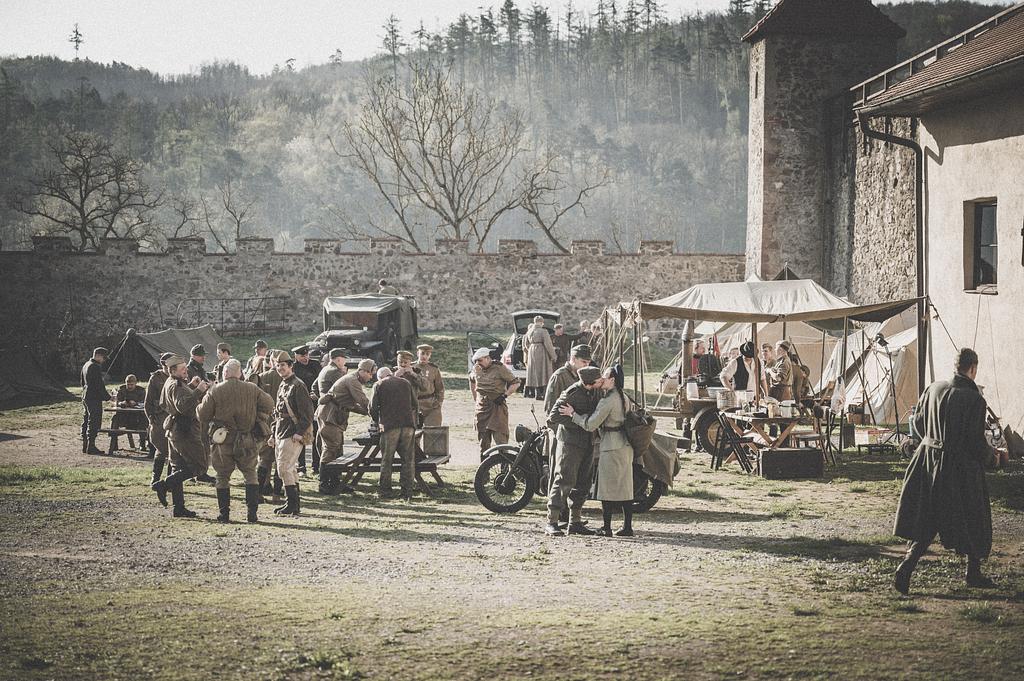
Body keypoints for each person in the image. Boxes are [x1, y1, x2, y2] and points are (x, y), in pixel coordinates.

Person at [893, 348, 996, 594]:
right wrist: (991, 458)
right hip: (959, 468)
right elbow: (975, 441)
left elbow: (918, 424)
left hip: (927, 461)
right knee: (974, 515)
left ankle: (907, 566)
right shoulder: (975, 400)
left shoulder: (933, 388)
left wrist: (931, 442)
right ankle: (973, 572)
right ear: (973, 368)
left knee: (928, 517)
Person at [560, 365, 636, 537]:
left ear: (612, 380)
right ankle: (627, 527)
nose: (601, 379)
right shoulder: (623, 396)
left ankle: (606, 527)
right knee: (625, 488)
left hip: (611, 446)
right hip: (625, 445)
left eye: (605, 376)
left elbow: (590, 424)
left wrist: (573, 414)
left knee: (606, 488)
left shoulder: (608, 400)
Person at [197, 359, 274, 523]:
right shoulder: (252, 388)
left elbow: (202, 415)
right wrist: (258, 417)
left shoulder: (215, 390)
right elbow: (269, 404)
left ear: (225, 373)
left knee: (222, 476)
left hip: (223, 440)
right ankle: (252, 514)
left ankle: (224, 514)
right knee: (250, 474)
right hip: (247, 439)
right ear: (239, 373)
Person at [544, 365, 602, 536]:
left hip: (588, 442)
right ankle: (552, 521)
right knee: (563, 480)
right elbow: (553, 416)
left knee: (583, 483)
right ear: (589, 383)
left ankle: (575, 521)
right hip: (570, 444)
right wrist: (578, 421)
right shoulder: (571, 394)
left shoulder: (595, 392)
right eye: (598, 381)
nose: (601, 383)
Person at [152, 354, 210, 518]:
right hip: (185, 430)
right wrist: (198, 391)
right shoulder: (176, 385)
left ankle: (178, 507)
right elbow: (183, 406)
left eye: (185, 368)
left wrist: (190, 386)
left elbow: (167, 402)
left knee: (177, 468)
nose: (186, 371)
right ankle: (164, 485)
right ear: (172, 370)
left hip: (174, 429)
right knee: (199, 466)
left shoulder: (171, 382)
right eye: (182, 369)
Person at [543, 344, 593, 521]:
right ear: (573, 359)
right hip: (562, 434)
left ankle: (572, 517)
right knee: (560, 475)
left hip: (581, 435)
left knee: (579, 478)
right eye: (583, 362)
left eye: (588, 362)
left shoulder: (584, 377)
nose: (586, 365)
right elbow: (550, 409)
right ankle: (556, 516)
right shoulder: (560, 376)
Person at [271, 352, 315, 516]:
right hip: (281, 431)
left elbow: (308, 413)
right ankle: (293, 505)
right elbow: (278, 413)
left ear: (290, 366)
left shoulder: (298, 385)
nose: (280, 368)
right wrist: (273, 433)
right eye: (278, 365)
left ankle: (291, 504)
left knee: (284, 468)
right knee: (290, 469)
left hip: (292, 432)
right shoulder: (283, 384)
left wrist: (299, 432)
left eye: (283, 365)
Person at [316, 358, 374, 472]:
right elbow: (363, 401)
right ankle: (325, 479)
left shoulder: (352, 379)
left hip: (334, 415)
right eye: (370, 374)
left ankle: (335, 477)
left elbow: (353, 406)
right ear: (363, 371)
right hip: (330, 415)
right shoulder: (353, 380)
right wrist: (375, 413)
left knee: (336, 447)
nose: (371, 377)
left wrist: (367, 412)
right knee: (331, 448)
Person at [370, 366, 419, 499]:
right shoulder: (406, 383)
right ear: (391, 374)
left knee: (387, 460)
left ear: (380, 377)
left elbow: (373, 408)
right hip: (408, 425)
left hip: (389, 426)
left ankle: (385, 491)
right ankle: (407, 492)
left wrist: (377, 421)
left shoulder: (378, 385)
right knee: (408, 460)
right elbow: (415, 404)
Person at [469, 347, 520, 458]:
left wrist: (505, 395)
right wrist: (476, 399)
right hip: (482, 409)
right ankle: (484, 468)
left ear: (487, 358)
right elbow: (472, 380)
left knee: (501, 443)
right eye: (476, 361)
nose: (478, 363)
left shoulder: (499, 368)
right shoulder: (476, 369)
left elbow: (515, 383)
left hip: (497, 408)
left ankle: (504, 466)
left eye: (480, 360)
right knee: (483, 445)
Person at [252, 350, 285, 501]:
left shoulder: (262, 377)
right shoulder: (287, 378)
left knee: (264, 458)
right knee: (280, 458)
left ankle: (262, 488)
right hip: (282, 423)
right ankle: (277, 492)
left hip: (264, 423)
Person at [313, 349, 349, 474]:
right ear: (338, 359)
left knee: (327, 445)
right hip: (333, 414)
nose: (345, 362)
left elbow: (314, 387)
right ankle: (327, 479)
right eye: (344, 359)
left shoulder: (324, 370)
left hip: (323, 411)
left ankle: (331, 477)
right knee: (332, 447)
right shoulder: (336, 372)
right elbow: (346, 390)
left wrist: (323, 398)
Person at [144, 352, 174, 485]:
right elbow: (148, 401)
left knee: (174, 450)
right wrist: (151, 418)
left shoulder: (176, 377)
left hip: (173, 418)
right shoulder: (156, 378)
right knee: (161, 449)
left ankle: (170, 480)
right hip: (160, 419)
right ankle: (155, 478)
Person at [291, 345, 320, 474]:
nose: (306, 358)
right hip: (300, 406)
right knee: (300, 434)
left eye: (307, 355)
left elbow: (320, 382)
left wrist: (317, 395)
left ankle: (316, 465)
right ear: (296, 356)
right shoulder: (293, 368)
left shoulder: (315, 365)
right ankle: (301, 465)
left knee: (316, 435)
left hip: (314, 405)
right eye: (302, 356)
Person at [81, 347, 110, 455]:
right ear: (98, 355)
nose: (104, 360)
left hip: (86, 396)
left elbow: (82, 382)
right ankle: (91, 446)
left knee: (86, 419)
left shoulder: (86, 364)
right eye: (103, 358)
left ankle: (85, 445)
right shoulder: (95, 366)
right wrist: (108, 397)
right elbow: (99, 385)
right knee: (94, 421)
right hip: (94, 398)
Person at [523, 315, 557, 400]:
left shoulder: (529, 331)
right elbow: (548, 344)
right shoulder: (543, 331)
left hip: (532, 352)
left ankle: (537, 394)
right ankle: (545, 394)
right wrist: (553, 356)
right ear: (541, 322)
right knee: (544, 372)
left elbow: (526, 345)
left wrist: (531, 350)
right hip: (542, 352)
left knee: (534, 373)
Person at [110, 374, 147, 450]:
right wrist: (121, 403)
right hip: (124, 416)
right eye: (128, 384)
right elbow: (116, 402)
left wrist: (136, 403)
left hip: (137, 416)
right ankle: (114, 443)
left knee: (143, 420)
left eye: (131, 385)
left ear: (135, 383)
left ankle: (142, 443)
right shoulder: (121, 390)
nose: (129, 386)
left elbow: (144, 403)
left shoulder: (141, 391)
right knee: (115, 419)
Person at [413, 344, 445, 426]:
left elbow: (440, 388)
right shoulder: (411, 368)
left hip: (430, 404)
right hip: (415, 404)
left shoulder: (433, 369)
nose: (424, 356)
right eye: (422, 353)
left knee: (433, 430)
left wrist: (438, 403)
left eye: (427, 354)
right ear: (418, 354)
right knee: (413, 431)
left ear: (430, 355)